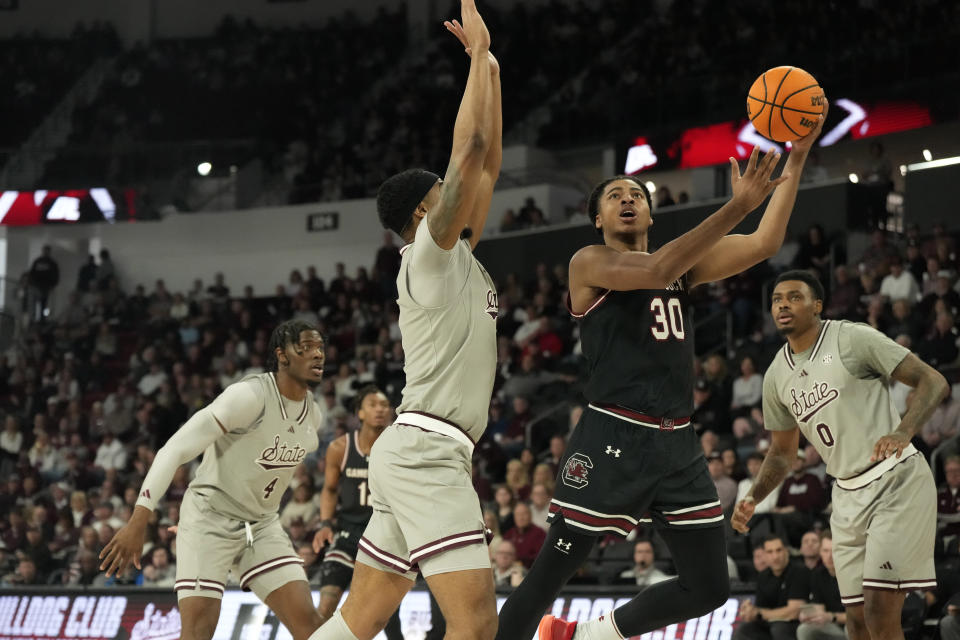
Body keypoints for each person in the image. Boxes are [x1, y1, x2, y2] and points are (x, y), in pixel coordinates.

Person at [506, 105, 829, 640]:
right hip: (613, 435)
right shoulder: (588, 263)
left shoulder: (682, 266)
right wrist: (739, 204)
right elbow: (655, 269)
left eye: (637, 195)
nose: (628, 199)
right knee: (548, 577)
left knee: (709, 586)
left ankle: (586, 636)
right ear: (599, 220)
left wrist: (797, 157)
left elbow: (765, 243)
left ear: (651, 217)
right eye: (615, 196)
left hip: (677, 442)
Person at [308, 4, 502, 640]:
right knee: (474, 625)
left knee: (360, 618)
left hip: (417, 448)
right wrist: (474, 58)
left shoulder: (457, 253)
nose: (462, 191)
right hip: (427, 452)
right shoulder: (428, 254)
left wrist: (491, 67)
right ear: (426, 209)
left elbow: (489, 161)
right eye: (445, 191)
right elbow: (470, 149)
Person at [733, 270, 945, 640]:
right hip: (845, 495)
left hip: (894, 480)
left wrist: (902, 430)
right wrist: (754, 495)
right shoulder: (775, 376)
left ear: (817, 306)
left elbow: (933, 381)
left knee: (881, 609)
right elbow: (783, 454)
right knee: (856, 622)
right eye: (777, 299)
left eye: (794, 297)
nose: (783, 304)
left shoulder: (852, 338)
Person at [98, 320, 326, 640]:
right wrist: (140, 518)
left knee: (312, 628)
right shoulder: (249, 396)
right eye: (306, 348)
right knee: (197, 634)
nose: (318, 355)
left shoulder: (313, 415)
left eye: (320, 348)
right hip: (210, 519)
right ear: (282, 355)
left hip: (260, 526)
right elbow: (174, 449)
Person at [311, 386, 402, 639]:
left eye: (384, 405)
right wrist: (325, 523)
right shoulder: (341, 447)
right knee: (326, 605)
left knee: (389, 618)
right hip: (348, 531)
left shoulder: (399, 447)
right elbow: (329, 490)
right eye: (373, 404)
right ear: (360, 413)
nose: (380, 409)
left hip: (384, 535)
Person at [733, 535, 810, 640]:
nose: (775, 556)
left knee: (779, 629)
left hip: (795, 624)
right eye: (770, 552)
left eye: (779, 550)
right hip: (771, 624)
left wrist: (760, 613)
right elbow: (760, 610)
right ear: (764, 555)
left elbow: (794, 612)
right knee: (743, 630)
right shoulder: (763, 576)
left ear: (786, 551)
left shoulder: (799, 571)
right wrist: (750, 611)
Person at [797, 531, 846, 640]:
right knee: (804, 629)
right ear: (820, 552)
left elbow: (860, 617)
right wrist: (809, 615)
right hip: (833, 625)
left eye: (834, 551)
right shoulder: (818, 574)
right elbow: (819, 606)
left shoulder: (852, 573)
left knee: (850, 629)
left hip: (853, 624)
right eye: (825, 551)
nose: (830, 556)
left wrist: (831, 617)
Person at [28, 245, 59, 320]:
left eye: (47, 251)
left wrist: (52, 285)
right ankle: (33, 319)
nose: (46, 252)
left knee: (44, 305)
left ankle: (43, 320)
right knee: (33, 304)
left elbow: (55, 275)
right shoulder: (37, 261)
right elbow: (32, 273)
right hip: (36, 286)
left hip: (46, 287)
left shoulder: (52, 263)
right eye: (44, 250)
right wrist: (32, 284)